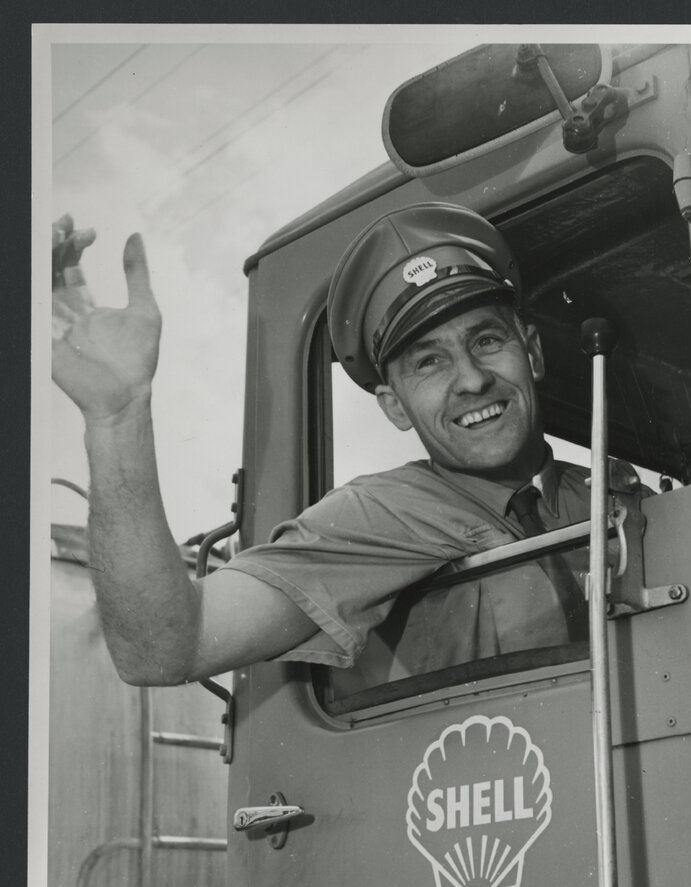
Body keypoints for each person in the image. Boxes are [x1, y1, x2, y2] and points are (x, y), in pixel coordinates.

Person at [52, 203, 633, 689]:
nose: (471, 378)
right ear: (395, 407)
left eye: (485, 339)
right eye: (428, 362)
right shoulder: (379, 516)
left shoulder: (614, 500)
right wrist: (116, 417)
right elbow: (163, 648)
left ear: (530, 351)